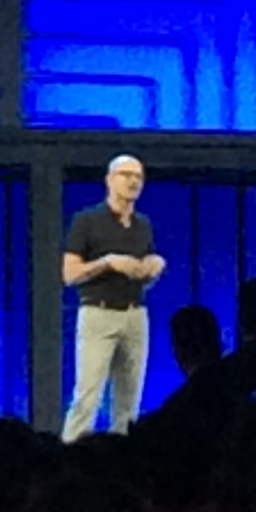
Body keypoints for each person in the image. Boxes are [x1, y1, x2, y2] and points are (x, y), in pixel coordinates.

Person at [60, 155, 164, 441]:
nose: (133, 181)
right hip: (99, 314)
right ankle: (69, 456)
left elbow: (141, 278)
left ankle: (123, 460)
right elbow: (70, 274)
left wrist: (152, 267)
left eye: (139, 177)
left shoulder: (142, 225)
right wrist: (107, 263)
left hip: (135, 315)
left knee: (129, 403)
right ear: (109, 180)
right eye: (126, 175)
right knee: (87, 397)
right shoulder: (87, 220)